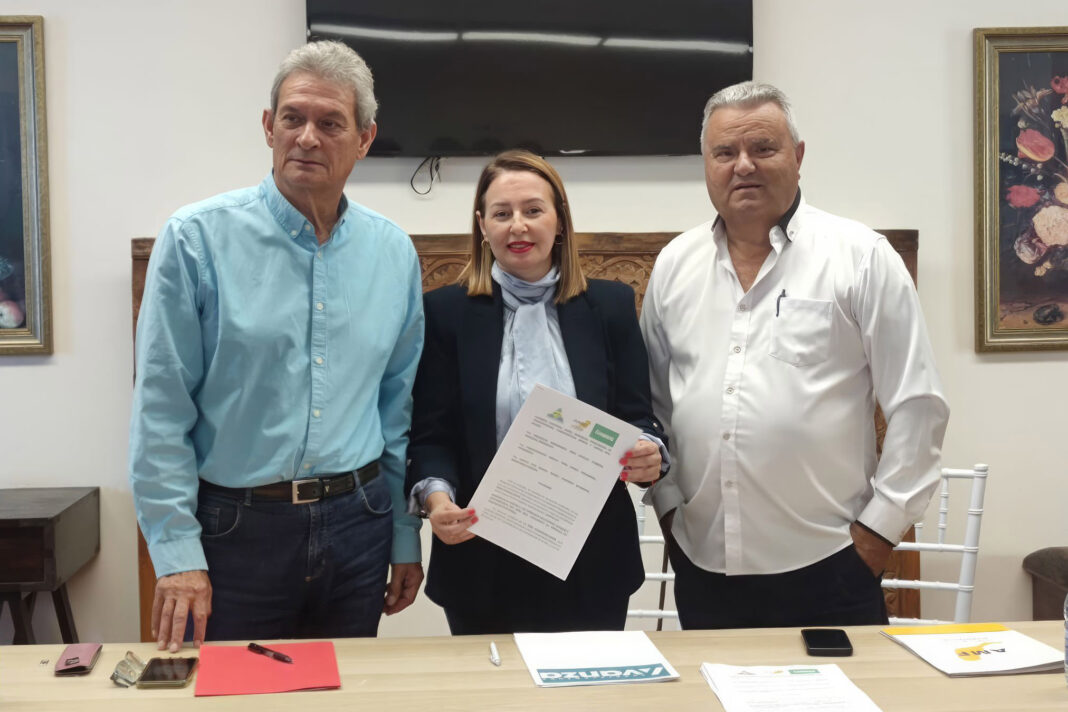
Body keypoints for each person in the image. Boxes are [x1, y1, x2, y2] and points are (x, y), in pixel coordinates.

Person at [129, 40, 425, 652]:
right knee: (238, 691)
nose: (307, 138)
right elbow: (160, 413)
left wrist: (403, 536)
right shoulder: (195, 241)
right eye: (293, 118)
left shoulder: (393, 253)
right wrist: (177, 555)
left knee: (349, 691)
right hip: (236, 531)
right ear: (269, 127)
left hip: (360, 526)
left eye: (330, 123)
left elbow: (395, 410)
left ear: (365, 139)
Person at [640, 81, 950, 629]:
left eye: (763, 148)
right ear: (707, 164)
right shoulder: (674, 265)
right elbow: (655, 404)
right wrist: (667, 508)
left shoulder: (861, 258)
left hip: (832, 565)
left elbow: (918, 405)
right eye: (725, 152)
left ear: (798, 156)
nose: (744, 165)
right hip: (704, 566)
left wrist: (876, 536)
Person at [405, 150, 667, 634]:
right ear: (482, 226)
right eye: (501, 214)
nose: (518, 226)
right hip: (480, 557)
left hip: (591, 560)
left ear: (560, 221)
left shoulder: (610, 306)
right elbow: (431, 435)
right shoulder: (445, 313)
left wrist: (649, 452)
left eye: (532, 210)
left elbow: (638, 416)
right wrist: (437, 500)